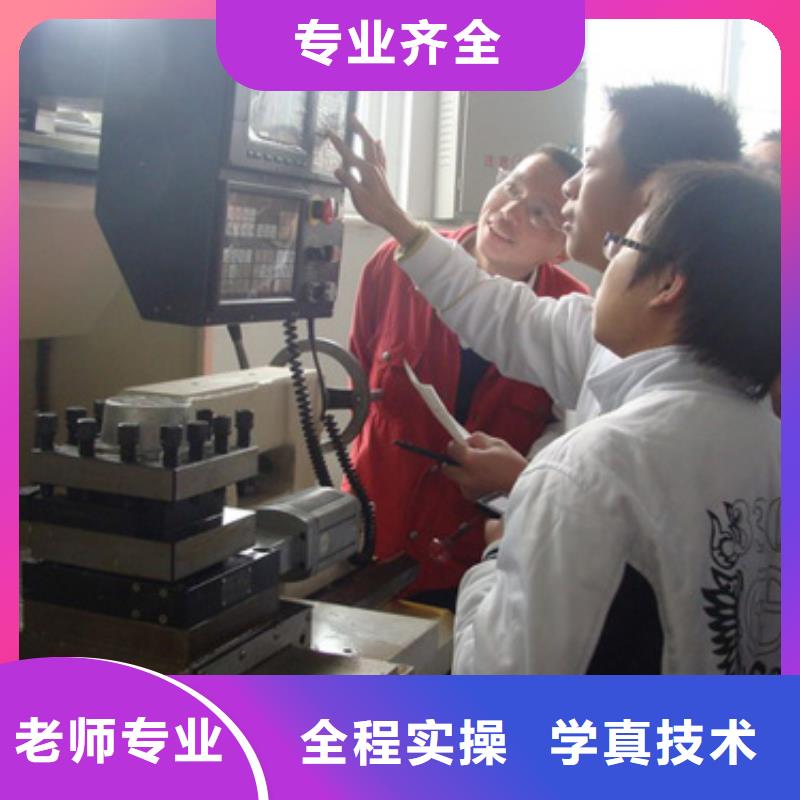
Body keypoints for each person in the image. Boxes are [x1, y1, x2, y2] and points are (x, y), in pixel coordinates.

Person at [332, 83, 744, 502]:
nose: (570, 189)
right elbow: (493, 311)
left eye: (591, 164)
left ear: (653, 196)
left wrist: (523, 486)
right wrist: (395, 219)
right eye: (512, 188)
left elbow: (589, 515)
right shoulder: (596, 329)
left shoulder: (671, 420)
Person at [347, 144, 588, 605]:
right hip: (371, 535)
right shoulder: (393, 264)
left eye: (539, 213)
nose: (509, 212)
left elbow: (563, 442)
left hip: (473, 560)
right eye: (511, 187)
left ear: (562, 249)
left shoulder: (569, 317)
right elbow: (356, 387)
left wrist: (518, 479)